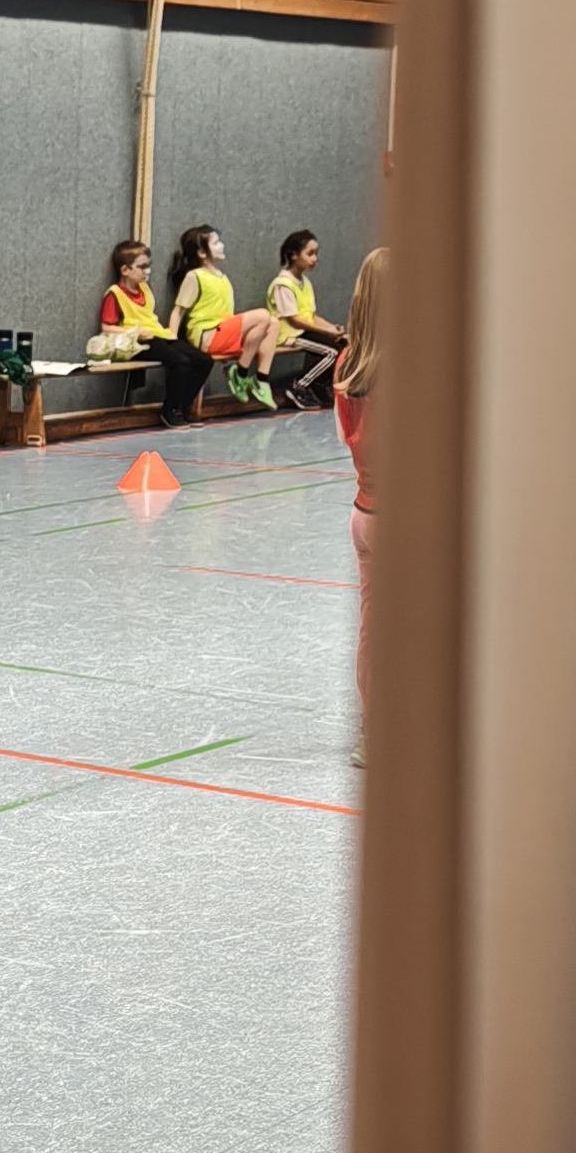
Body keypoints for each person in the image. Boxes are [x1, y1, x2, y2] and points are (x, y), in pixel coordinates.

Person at [332, 247, 385, 761]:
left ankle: (373, 733)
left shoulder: (347, 361)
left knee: (374, 628)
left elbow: (342, 434)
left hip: (364, 511)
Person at [164, 222, 288, 412]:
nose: (221, 245)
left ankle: (261, 379)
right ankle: (240, 372)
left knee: (273, 323)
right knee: (263, 315)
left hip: (224, 331)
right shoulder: (195, 276)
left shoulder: (222, 276)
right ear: (201, 252)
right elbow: (178, 311)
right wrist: (172, 340)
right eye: (215, 243)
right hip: (207, 335)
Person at [266, 231, 343, 408]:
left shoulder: (305, 283)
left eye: (316, 254)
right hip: (287, 335)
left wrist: (333, 329)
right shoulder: (283, 284)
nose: (314, 259)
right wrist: (326, 331)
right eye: (310, 254)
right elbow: (294, 320)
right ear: (293, 255)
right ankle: (298, 387)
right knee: (330, 352)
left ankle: (319, 386)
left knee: (340, 344)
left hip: (304, 333)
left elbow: (312, 316)